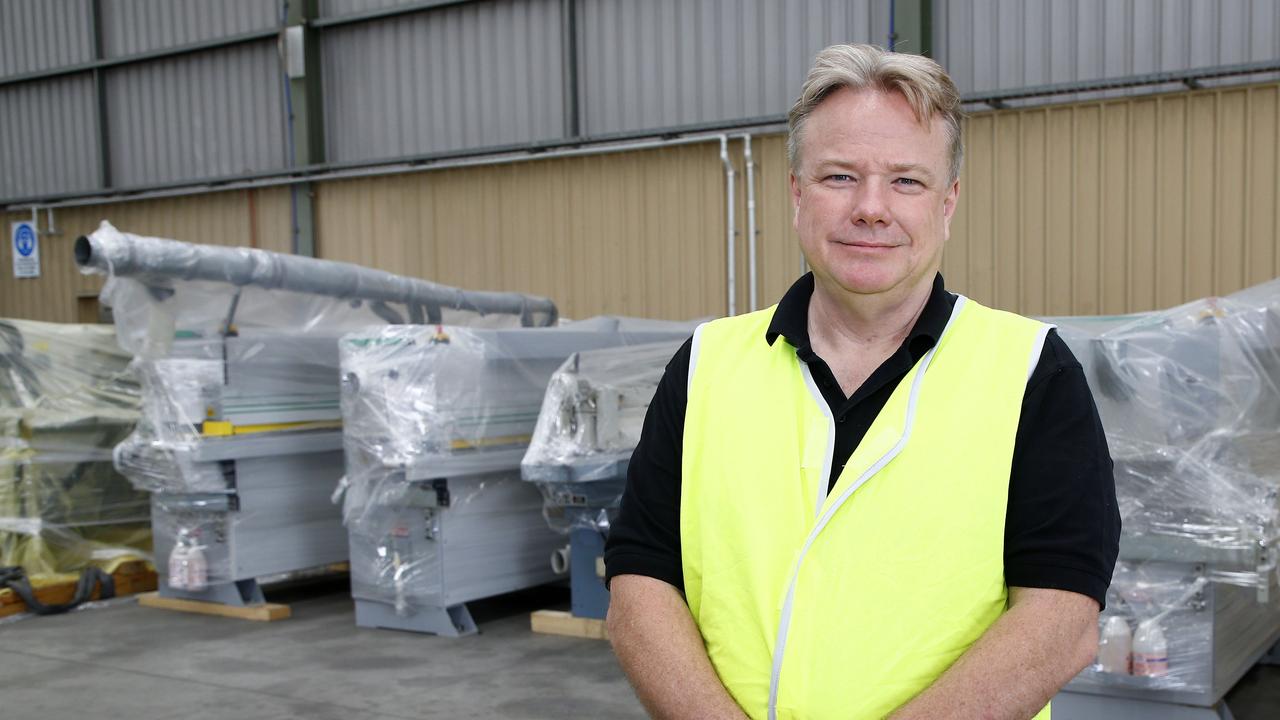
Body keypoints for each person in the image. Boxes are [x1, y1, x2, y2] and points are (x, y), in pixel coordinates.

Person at [604, 44, 1120, 720]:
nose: (871, 208)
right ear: (796, 193)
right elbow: (640, 582)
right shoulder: (707, 366)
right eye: (840, 177)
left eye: (906, 181)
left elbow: (1061, 618)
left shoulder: (1031, 373)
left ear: (948, 202)